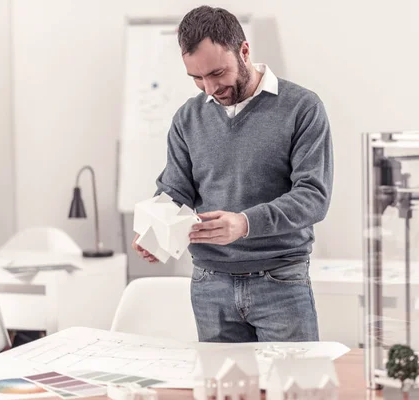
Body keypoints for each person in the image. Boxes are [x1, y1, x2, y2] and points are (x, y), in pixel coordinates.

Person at [132, 5, 333, 343]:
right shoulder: (188, 118)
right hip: (210, 285)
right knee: (220, 395)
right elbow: (174, 191)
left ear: (244, 51)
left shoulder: (302, 108)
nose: (209, 88)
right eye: (197, 78)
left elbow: (313, 197)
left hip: (280, 281)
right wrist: (155, 231)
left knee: (294, 390)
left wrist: (244, 223)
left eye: (217, 73)